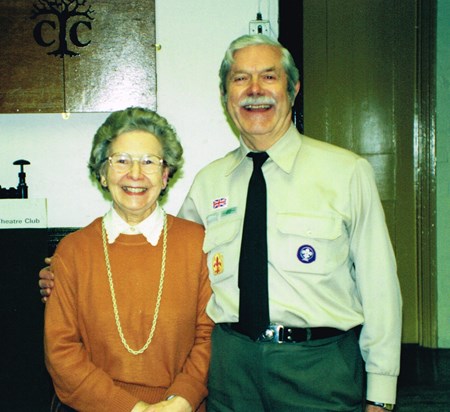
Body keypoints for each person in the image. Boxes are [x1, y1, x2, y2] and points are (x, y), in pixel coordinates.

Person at [40, 35, 402, 411]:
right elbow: (161, 259)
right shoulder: (210, 182)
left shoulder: (346, 172)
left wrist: (381, 393)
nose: (255, 90)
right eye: (241, 79)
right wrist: (63, 275)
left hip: (318, 368)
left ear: (293, 88)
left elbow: (381, 288)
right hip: (231, 374)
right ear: (226, 95)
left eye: (269, 77)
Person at [43, 107, 213, 412]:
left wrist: (181, 401)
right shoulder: (72, 251)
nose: (135, 174)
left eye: (149, 161)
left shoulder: (198, 243)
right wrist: (133, 409)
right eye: (121, 161)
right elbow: (61, 352)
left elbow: (210, 335)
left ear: (165, 176)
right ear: (102, 174)